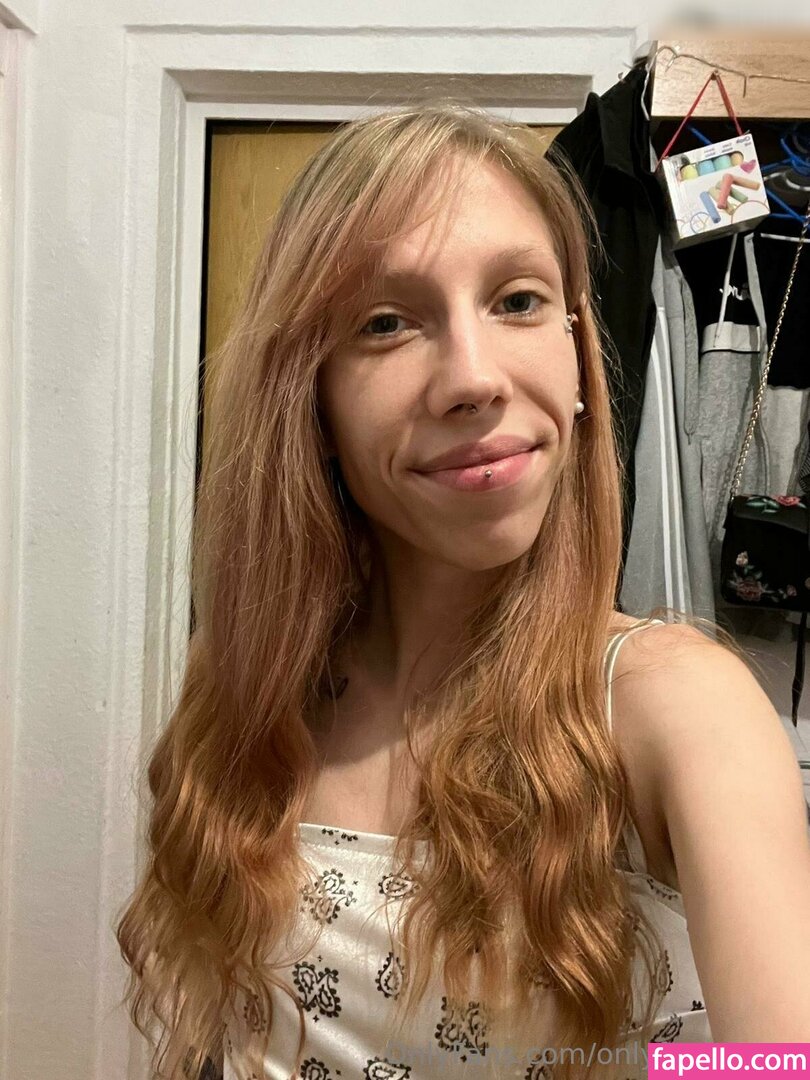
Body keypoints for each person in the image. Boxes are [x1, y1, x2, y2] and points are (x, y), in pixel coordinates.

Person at [115, 101, 810, 1080]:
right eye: (386, 323)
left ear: (578, 357)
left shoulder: (672, 703)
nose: (474, 379)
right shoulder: (250, 692)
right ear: (311, 397)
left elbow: (778, 1062)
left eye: (518, 301)